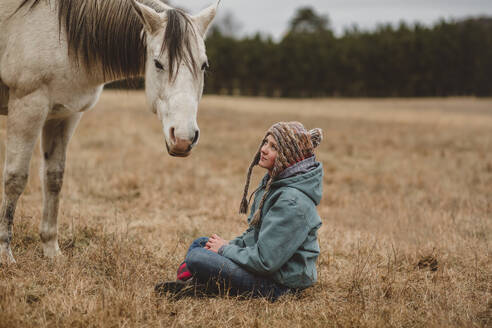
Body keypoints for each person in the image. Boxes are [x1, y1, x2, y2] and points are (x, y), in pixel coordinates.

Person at [155, 122, 324, 301]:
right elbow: (254, 236)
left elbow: (265, 262)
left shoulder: (291, 202)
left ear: (289, 156)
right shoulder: (274, 184)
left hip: (279, 285)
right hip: (264, 269)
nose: (264, 149)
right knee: (201, 243)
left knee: (198, 257)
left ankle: (203, 284)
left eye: (273, 147)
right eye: (265, 142)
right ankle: (203, 283)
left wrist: (224, 250)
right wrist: (228, 246)